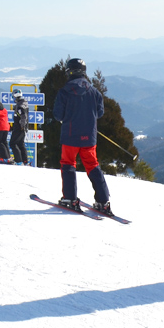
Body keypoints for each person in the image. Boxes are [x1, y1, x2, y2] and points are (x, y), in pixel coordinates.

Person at [52, 59, 111, 214]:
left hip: (70, 136)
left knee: (68, 164)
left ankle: (70, 198)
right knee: (92, 165)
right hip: (89, 137)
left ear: (69, 72)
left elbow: (58, 115)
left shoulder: (64, 91)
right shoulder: (94, 92)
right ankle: (103, 201)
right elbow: (100, 113)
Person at [9, 89, 30, 165]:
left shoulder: (20, 106)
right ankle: (25, 161)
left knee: (13, 143)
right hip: (22, 128)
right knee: (21, 143)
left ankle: (18, 161)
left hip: (19, 128)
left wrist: (22, 126)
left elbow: (23, 116)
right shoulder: (24, 103)